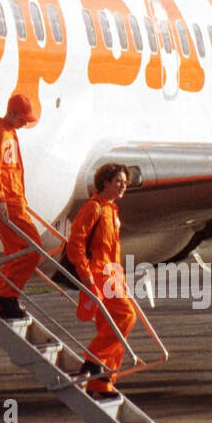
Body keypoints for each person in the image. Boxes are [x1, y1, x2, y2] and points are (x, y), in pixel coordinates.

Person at [66, 163, 136, 399]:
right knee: (127, 316)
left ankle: (102, 382)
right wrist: (85, 277)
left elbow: (114, 251)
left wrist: (121, 279)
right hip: (98, 275)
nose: (123, 185)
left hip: (112, 276)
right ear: (105, 182)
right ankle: (92, 360)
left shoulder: (112, 211)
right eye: (118, 181)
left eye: (125, 181)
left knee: (111, 327)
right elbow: (75, 244)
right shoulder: (93, 208)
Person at [0, 93, 40, 320]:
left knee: (15, 253)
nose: (25, 123)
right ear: (12, 113)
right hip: (8, 203)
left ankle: (3, 299)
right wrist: (0, 200)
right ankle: (6, 296)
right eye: (23, 118)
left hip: (15, 201)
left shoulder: (9, 132)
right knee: (33, 248)